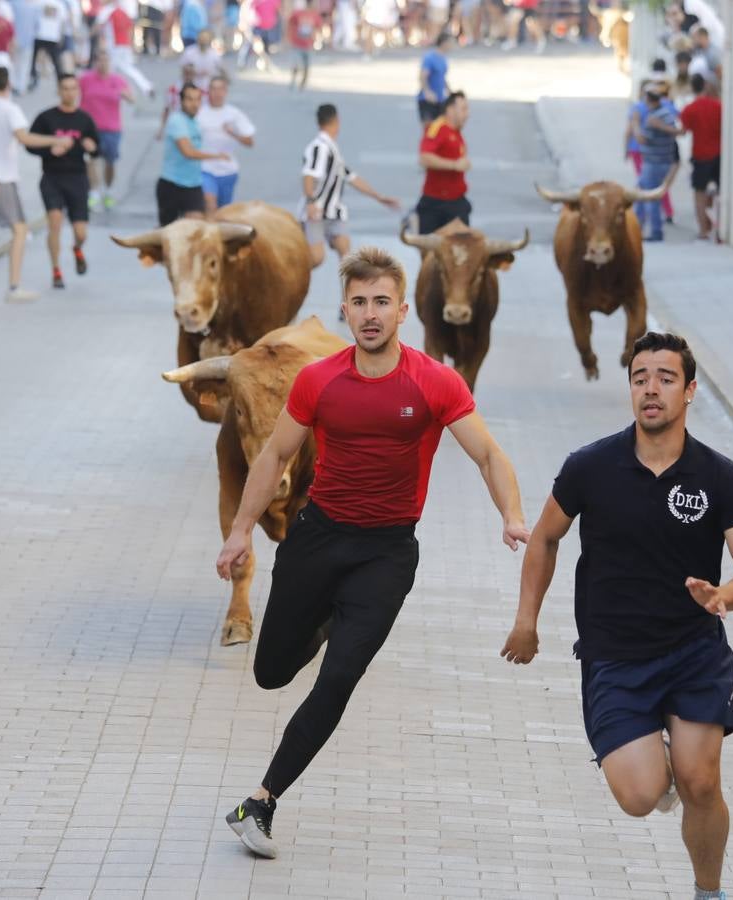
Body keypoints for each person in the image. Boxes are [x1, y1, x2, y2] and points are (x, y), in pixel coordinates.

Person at [218, 245, 529, 859]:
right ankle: (331, 615)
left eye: (381, 302)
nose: (370, 313)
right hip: (318, 539)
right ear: (345, 309)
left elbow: (489, 453)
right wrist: (240, 530)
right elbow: (275, 456)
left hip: (387, 554)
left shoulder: (434, 382)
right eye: (359, 302)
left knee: (338, 679)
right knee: (270, 671)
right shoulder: (319, 379)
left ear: (402, 310)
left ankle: (261, 800)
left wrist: (512, 514)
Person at [501, 331, 733, 900]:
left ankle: (708, 892)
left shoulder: (720, 477)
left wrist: (724, 594)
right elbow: (545, 538)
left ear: (689, 391)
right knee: (640, 796)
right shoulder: (589, 467)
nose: (651, 389)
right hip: (614, 658)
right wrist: (527, 621)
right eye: (640, 377)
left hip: (694, 652)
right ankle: (659, 753)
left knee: (701, 782)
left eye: (666, 378)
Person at [0, 67, 70, 302]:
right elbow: (24, 138)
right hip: (3, 176)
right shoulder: (10, 110)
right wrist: (55, 139)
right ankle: (13, 286)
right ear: (9, 85)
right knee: (20, 230)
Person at [299, 103, 400, 272]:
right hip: (316, 212)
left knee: (347, 260)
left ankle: (351, 298)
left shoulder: (331, 148)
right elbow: (309, 174)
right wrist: (310, 202)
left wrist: (378, 196)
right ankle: (290, 272)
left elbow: (351, 177)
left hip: (334, 212)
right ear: (337, 121)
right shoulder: (320, 147)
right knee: (316, 257)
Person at [28, 74, 99, 289]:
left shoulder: (84, 120)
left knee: (81, 232)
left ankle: (77, 249)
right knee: (55, 222)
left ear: (78, 91)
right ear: (59, 91)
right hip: (52, 178)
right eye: (65, 88)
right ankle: (56, 270)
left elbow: (97, 148)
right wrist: (49, 150)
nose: (69, 93)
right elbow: (30, 144)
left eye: (73, 88)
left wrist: (91, 147)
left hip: (77, 179)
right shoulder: (46, 118)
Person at [156, 81, 229, 227]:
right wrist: (217, 156)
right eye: (189, 99)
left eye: (197, 99)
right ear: (182, 101)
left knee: (196, 230)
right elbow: (188, 152)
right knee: (168, 234)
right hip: (172, 185)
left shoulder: (195, 122)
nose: (194, 104)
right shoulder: (177, 121)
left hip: (193, 185)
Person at [78, 52, 135, 212]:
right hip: (90, 128)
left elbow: (132, 99)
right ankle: (94, 191)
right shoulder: (85, 79)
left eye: (106, 61)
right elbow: (74, 95)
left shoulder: (117, 80)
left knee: (110, 162)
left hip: (112, 129)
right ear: (95, 62)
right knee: (90, 159)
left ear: (110, 62)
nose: (103, 64)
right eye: (100, 60)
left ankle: (108, 190)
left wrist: (126, 95)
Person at [196, 74, 254, 216]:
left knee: (223, 213)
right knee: (210, 205)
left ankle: (216, 235)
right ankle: (209, 237)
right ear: (208, 91)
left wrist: (233, 133)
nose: (217, 93)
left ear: (225, 92)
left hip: (228, 170)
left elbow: (250, 142)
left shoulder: (234, 114)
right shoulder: (199, 113)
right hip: (204, 169)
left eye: (220, 89)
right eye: (213, 89)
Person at [415, 91, 470, 234]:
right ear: (450, 109)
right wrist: (454, 165)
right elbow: (424, 157)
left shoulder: (456, 130)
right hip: (436, 204)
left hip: (457, 202)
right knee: (431, 253)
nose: (467, 114)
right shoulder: (438, 128)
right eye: (463, 109)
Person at [677, 73, 721, 241]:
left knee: (699, 193)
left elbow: (682, 131)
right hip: (719, 154)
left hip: (700, 155)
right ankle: (719, 228)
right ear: (705, 86)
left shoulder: (690, 109)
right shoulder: (718, 106)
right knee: (719, 193)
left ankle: (703, 230)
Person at [635, 84, 677, 242]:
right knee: (640, 193)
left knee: (650, 197)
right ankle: (637, 226)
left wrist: (635, 125)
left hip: (654, 163)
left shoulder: (654, 118)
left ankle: (655, 231)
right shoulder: (665, 114)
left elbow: (642, 139)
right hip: (662, 161)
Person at [98, 0, 153, 96]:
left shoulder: (108, 12)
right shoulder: (122, 12)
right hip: (125, 45)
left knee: (118, 69)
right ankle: (145, 86)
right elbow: (130, 29)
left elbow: (99, 26)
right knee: (125, 68)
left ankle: (111, 90)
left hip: (115, 46)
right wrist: (131, 45)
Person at [30, 0, 68, 90]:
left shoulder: (59, 5)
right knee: (34, 60)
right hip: (40, 35)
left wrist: (61, 36)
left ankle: (61, 84)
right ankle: (34, 79)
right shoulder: (40, 3)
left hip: (52, 37)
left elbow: (62, 23)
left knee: (57, 63)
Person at [286, 0, 321, 91]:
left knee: (307, 66)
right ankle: (293, 79)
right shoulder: (298, 13)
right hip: (297, 44)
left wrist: (318, 40)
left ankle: (303, 83)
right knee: (296, 64)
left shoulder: (315, 15)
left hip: (308, 45)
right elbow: (289, 23)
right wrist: (289, 37)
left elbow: (318, 28)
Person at [416, 33, 450, 126]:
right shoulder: (430, 58)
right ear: (444, 43)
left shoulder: (444, 58)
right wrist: (427, 92)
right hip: (428, 100)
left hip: (439, 100)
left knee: (439, 131)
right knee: (429, 131)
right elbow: (423, 76)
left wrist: (450, 92)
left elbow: (442, 77)